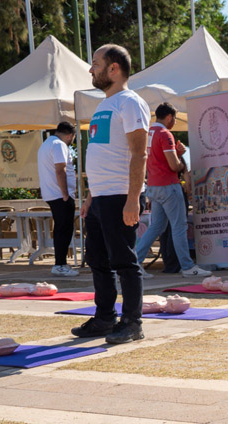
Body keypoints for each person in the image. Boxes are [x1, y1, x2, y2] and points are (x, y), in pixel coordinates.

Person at [72, 44, 150, 345]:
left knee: (124, 261)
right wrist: (91, 197)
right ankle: (105, 317)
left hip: (120, 195)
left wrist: (133, 199)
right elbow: (101, 154)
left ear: (113, 68)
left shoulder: (130, 103)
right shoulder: (104, 105)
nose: (91, 69)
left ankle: (132, 323)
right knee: (97, 260)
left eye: (95, 63)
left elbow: (139, 154)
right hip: (101, 197)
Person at [134, 102, 211, 279]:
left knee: (156, 226)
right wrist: (180, 157)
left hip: (153, 186)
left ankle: (136, 263)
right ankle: (187, 266)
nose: (175, 122)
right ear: (169, 117)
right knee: (179, 227)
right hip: (168, 186)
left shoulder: (148, 133)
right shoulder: (165, 134)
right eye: (174, 119)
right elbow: (174, 165)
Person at [37, 121, 79, 277]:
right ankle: (60, 264)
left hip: (52, 193)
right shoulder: (59, 145)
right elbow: (60, 170)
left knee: (61, 228)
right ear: (70, 135)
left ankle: (60, 263)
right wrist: (65, 194)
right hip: (60, 194)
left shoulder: (46, 144)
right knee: (64, 229)